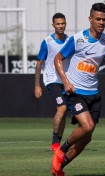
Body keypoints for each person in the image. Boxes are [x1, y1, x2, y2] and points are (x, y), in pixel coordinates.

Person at [51, 3, 105, 176]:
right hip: (75, 91)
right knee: (87, 126)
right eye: (98, 19)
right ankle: (60, 151)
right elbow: (58, 58)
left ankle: (59, 166)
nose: (101, 22)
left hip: (93, 94)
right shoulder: (78, 39)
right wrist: (65, 82)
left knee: (86, 137)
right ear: (90, 19)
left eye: (104, 19)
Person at [34, 13, 69, 152]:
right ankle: (55, 142)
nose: (61, 26)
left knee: (63, 111)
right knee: (62, 107)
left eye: (63, 23)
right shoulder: (47, 42)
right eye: (58, 23)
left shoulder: (69, 40)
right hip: (51, 79)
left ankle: (57, 143)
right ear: (53, 25)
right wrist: (37, 85)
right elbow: (38, 63)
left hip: (65, 80)